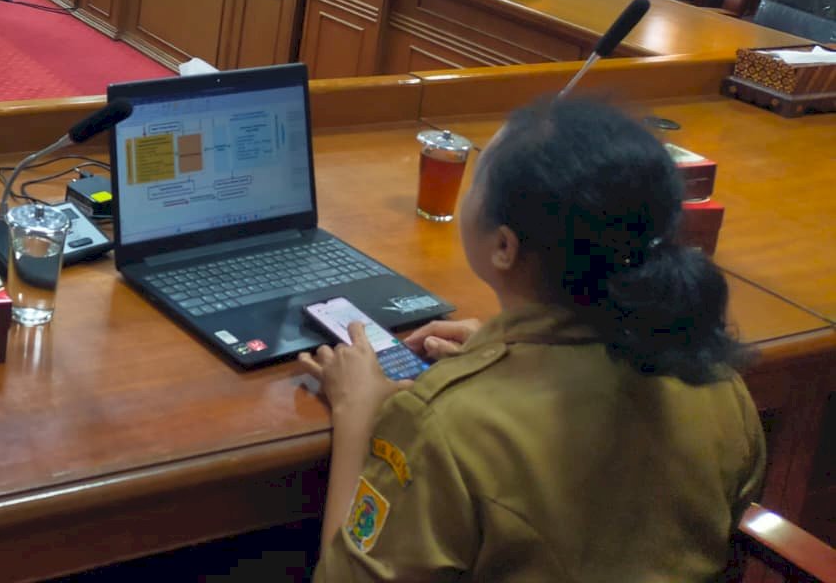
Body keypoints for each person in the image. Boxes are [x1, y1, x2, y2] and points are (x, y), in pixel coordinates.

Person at [302, 96, 765, 583]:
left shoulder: (441, 424)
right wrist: (500, 355)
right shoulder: (715, 379)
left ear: (504, 246)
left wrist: (357, 417)